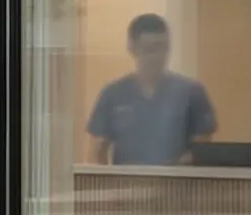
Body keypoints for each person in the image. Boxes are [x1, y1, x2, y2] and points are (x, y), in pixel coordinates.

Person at [87, 13, 217, 166]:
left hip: (176, 185)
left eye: (163, 48)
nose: (157, 56)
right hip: (125, 185)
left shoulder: (192, 93)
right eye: (149, 50)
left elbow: (201, 150)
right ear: (133, 48)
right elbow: (97, 151)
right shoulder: (113, 95)